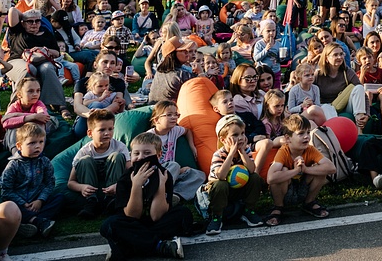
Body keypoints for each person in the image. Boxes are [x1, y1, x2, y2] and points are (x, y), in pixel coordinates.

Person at [99, 131, 193, 260]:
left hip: (156, 223)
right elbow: (132, 215)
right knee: (109, 225)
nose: (141, 157)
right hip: (133, 223)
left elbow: (156, 216)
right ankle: (160, 245)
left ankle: (129, 245)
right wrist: (136, 185)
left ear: (159, 155)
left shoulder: (164, 175)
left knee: (184, 214)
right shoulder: (125, 178)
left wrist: (160, 186)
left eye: (147, 153)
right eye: (136, 153)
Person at [264, 114, 336, 226]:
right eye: (301, 134)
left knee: (320, 171)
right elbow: (271, 178)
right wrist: (295, 171)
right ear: (288, 138)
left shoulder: (310, 150)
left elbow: (331, 168)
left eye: (308, 132)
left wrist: (306, 169)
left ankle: (309, 202)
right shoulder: (284, 151)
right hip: (286, 191)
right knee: (281, 170)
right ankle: (278, 207)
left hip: (303, 188)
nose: (307, 136)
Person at [203, 115, 267, 235]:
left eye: (242, 133)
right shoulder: (219, 154)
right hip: (221, 192)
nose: (241, 138)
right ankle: (216, 216)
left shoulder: (245, 150)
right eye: (235, 135)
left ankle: (249, 211)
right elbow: (221, 176)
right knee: (220, 184)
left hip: (238, 189)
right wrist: (232, 153)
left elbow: (252, 170)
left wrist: (242, 152)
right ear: (223, 140)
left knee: (255, 178)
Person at [0, 122, 60, 239]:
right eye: (32, 143)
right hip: (19, 201)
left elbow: (49, 183)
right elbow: (6, 190)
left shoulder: (45, 162)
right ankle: (38, 221)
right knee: (8, 206)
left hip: (37, 200)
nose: (37, 146)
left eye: (41, 142)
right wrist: (23, 203)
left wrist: (40, 200)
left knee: (59, 199)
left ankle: (29, 222)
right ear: (19, 146)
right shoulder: (13, 165)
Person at [68, 109, 130, 218]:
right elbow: (71, 182)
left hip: (112, 185)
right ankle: (91, 203)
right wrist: (81, 187)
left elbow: (130, 173)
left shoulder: (120, 147)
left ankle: (112, 200)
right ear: (90, 133)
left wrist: (119, 185)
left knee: (117, 156)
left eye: (110, 129)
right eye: (102, 130)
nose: (107, 133)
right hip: (92, 184)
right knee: (85, 160)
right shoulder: (85, 151)